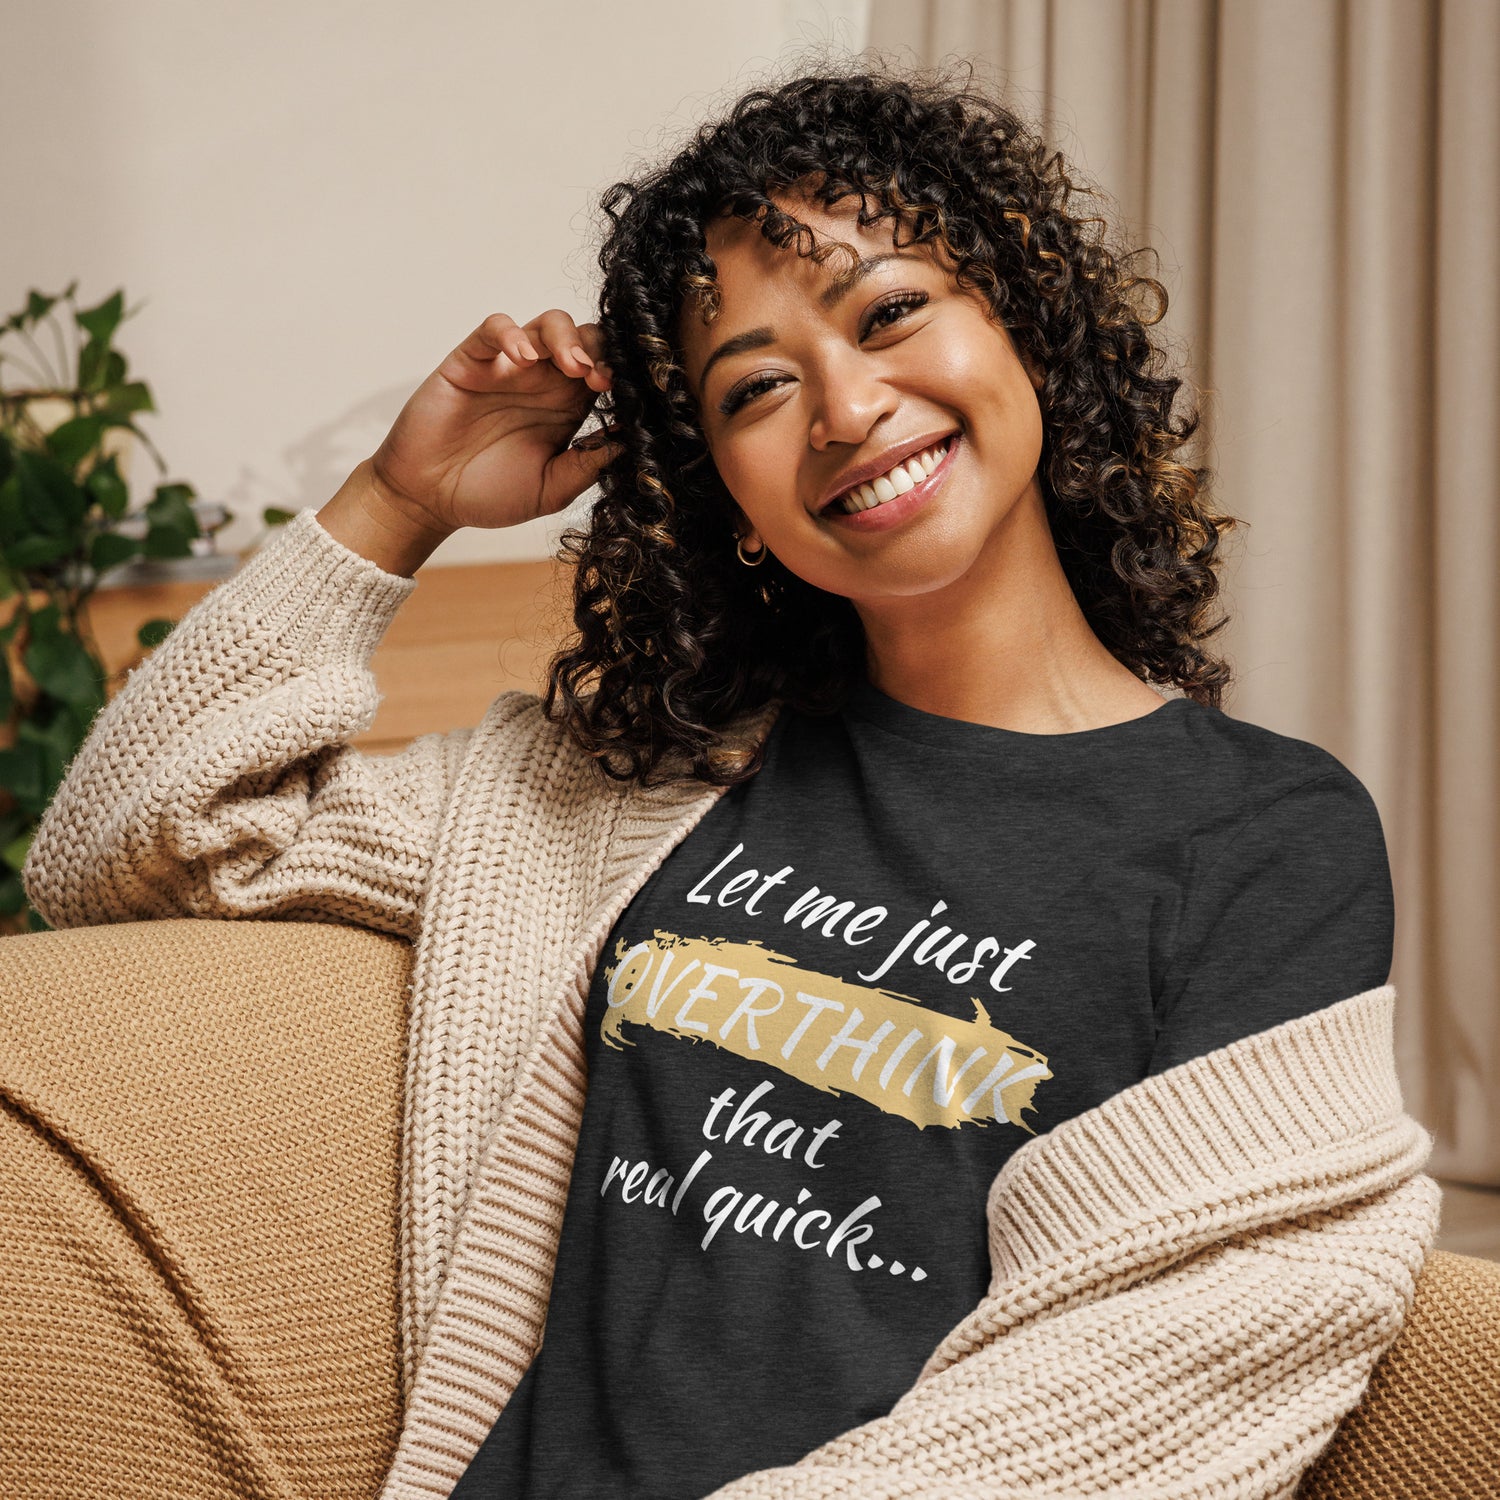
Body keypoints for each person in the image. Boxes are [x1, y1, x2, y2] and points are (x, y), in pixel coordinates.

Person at [14, 64, 1434, 1500]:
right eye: (757, 386)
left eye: (890, 313)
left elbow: (1175, 1351)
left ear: (1027, 329)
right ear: (728, 496)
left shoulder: (1260, 835)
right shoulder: (626, 791)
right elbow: (134, 846)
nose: (844, 406)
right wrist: (399, 502)